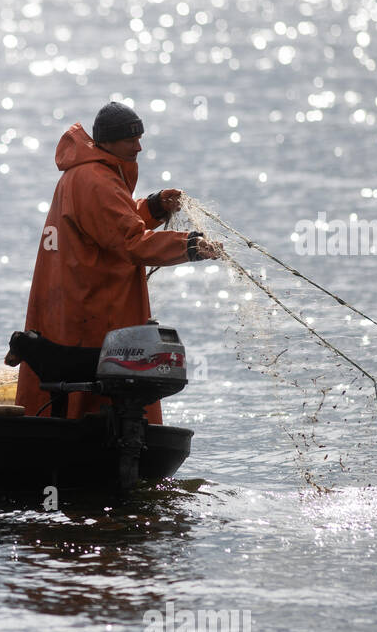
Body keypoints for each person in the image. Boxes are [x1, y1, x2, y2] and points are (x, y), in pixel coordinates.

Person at [14, 101, 225, 423]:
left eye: (140, 138)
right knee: (96, 385)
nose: (138, 146)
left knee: (74, 386)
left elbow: (111, 224)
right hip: (93, 303)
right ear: (108, 142)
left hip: (73, 299)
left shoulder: (88, 173)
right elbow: (130, 242)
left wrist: (153, 208)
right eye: (131, 140)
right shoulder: (96, 180)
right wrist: (191, 246)